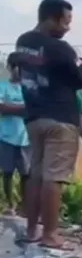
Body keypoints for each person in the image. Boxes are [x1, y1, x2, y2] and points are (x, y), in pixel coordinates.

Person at [14, 0, 82, 248]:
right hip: (60, 118)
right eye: (66, 21)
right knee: (54, 177)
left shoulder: (23, 42)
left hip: (34, 117)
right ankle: (51, 234)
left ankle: (32, 229)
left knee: (36, 174)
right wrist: (76, 61)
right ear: (53, 18)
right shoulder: (62, 48)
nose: (68, 27)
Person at [0, 54, 29, 213]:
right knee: (7, 172)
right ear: (10, 68)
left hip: (25, 137)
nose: (18, 70)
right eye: (15, 67)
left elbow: (33, 109)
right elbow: (1, 108)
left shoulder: (29, 88)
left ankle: (25, 206)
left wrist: (10, 108)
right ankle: (10, 204)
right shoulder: (2, 86)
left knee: (26, 174)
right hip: (6, 137)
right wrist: (23, 109)